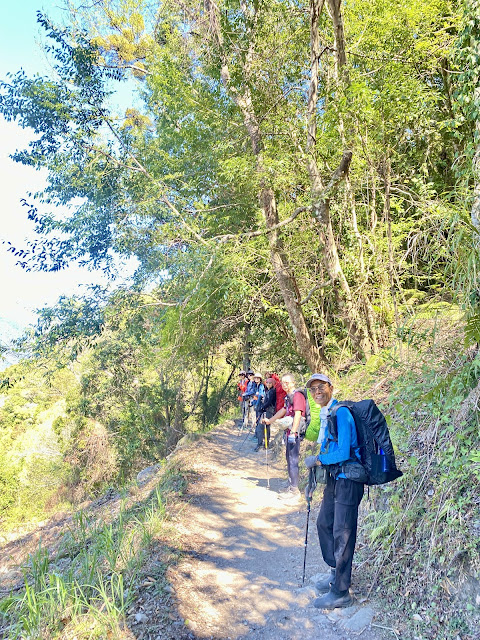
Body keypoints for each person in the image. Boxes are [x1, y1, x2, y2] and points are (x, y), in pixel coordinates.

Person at [304, 374, 365, 609]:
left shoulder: (341, 413)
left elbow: (343, 453)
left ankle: (341, 592)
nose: (317, 392)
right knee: (323, 523)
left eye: (321, 387)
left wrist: (317, 459)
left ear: (330, 388)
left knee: (343, 533)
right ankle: (335, 571)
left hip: (349, 480)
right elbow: (328, 449)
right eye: (313, 390)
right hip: (335, 478)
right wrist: (313, 480)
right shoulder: (326, 413)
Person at [262, 372, 306, 500]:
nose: (285, 385)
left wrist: (293, 432)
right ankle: (291, 485)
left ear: (293, 383)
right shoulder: (289, 397)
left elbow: (298, 414)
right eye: (283, 382)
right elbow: (283, 410)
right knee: (288, 458)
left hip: (294, 432)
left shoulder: (297, 395)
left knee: (293, 460)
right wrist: (270, 420)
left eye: (287, 382)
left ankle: (294, 490)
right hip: (289, 431)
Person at [254, 377, 276, 450]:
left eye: (270, 383)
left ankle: (261, 444)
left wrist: (263, 407)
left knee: (262, 426)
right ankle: (265, 444)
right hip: (266, 410)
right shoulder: (268, 391)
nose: (268, 384)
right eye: (267, 383)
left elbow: (269, 402)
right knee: (265, 427)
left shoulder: (272, 391)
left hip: (268, 410)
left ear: (273, 384)